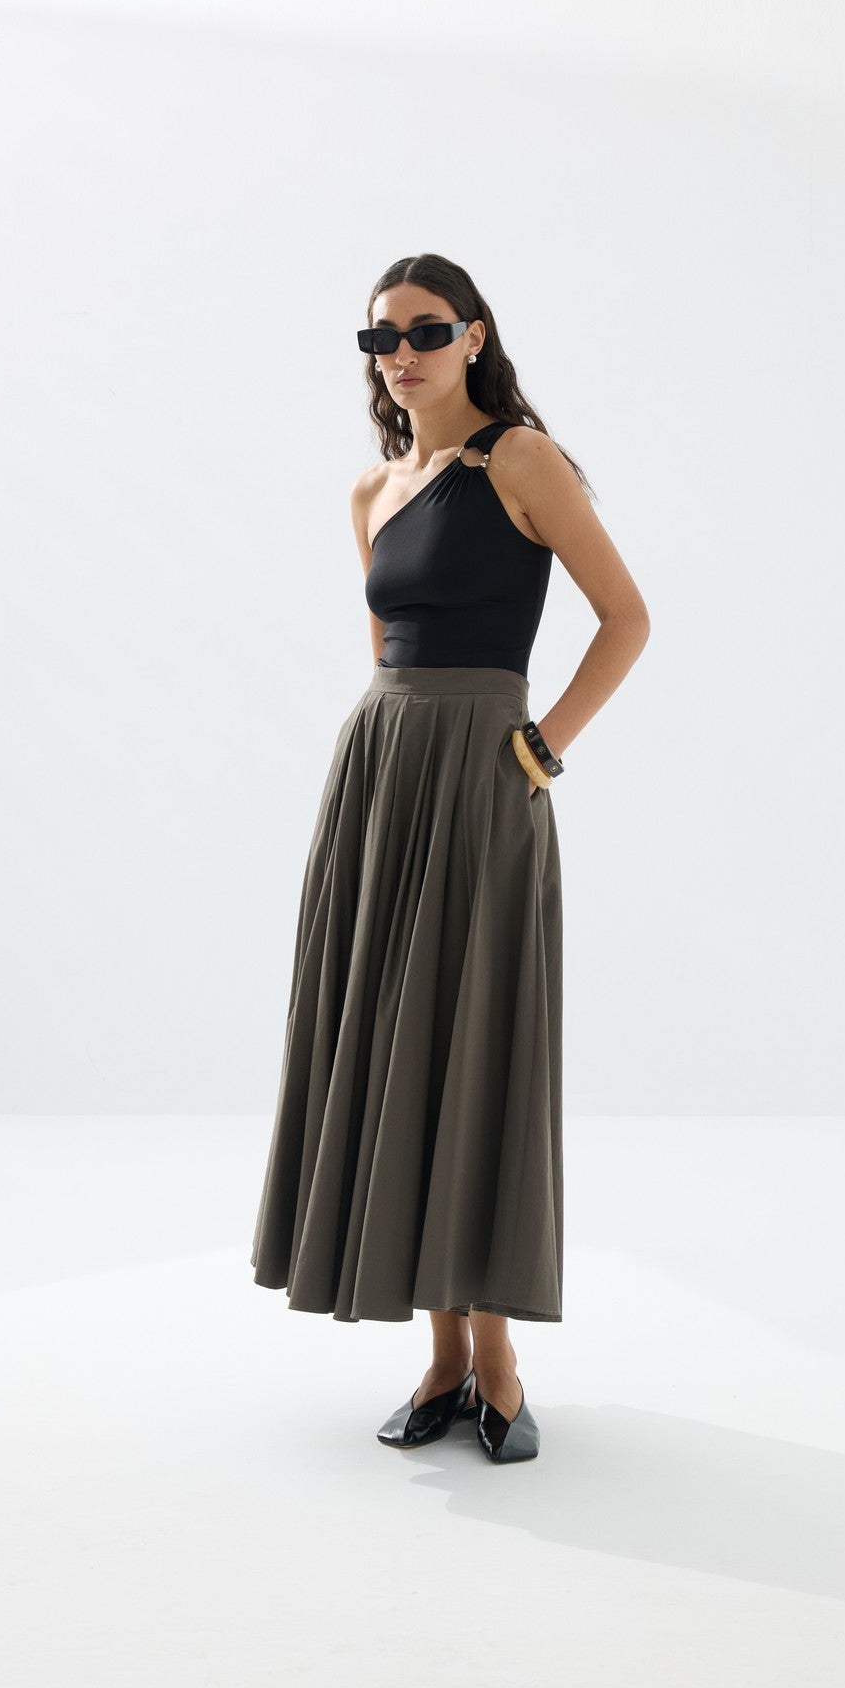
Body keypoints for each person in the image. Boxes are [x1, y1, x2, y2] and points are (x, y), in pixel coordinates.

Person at [250, 252, 650, 1464]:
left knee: (473, 1040)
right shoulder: (372, 488)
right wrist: (391, 757)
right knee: (398, 1044)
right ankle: (439, 1358)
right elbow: (386, 646)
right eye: (382, 338)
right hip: (382, 774)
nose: (403, 354)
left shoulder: (520, 459)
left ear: (474, 335)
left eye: (427, 330)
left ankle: (499, 1361)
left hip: (485, 774)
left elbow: (626, 617)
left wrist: (541, 747)